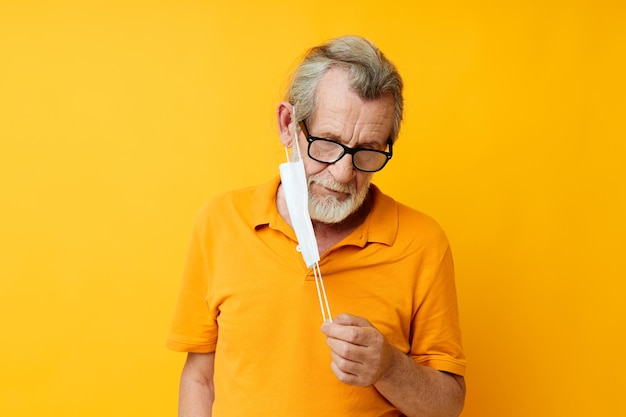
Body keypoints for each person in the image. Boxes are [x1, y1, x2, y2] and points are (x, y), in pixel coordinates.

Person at [167, 35, 466, 417]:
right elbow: (200, 378)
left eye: (368, 150)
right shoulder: (220, 223)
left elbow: (447, 407)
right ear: (288, 124)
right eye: (328, 142)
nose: (343, 173)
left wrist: (389, 367)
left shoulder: (422, 244)